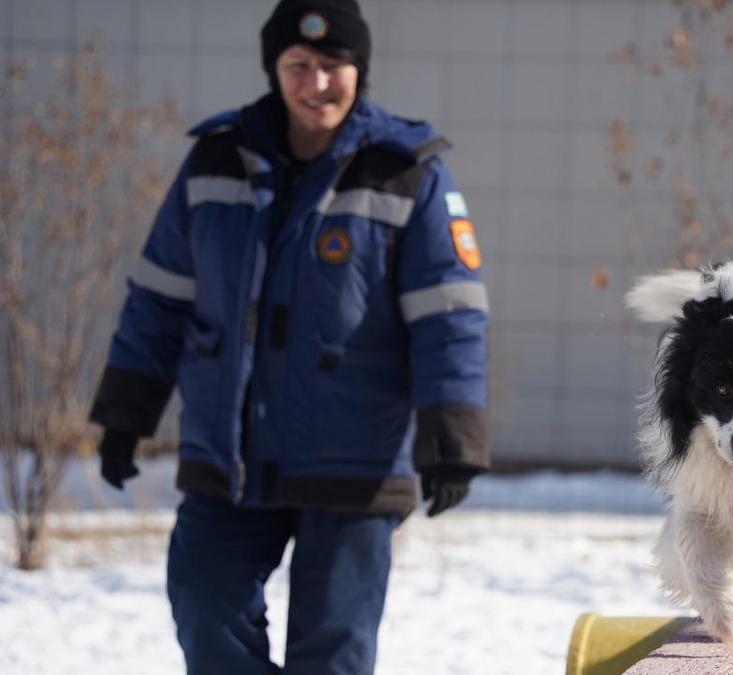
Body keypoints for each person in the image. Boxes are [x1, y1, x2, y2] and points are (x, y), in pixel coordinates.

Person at [87, 1, 489, 672]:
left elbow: (449, 316)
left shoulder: (406, 170)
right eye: (298, 65)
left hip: (354, 461)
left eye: (334, 66)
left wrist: (451, 441)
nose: (317, 83)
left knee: (331, 650)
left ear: (359, 69)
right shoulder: (215, 162)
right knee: (204, 605)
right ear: (274, 69)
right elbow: (160, 299)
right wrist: (126, 415)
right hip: (233, 456)